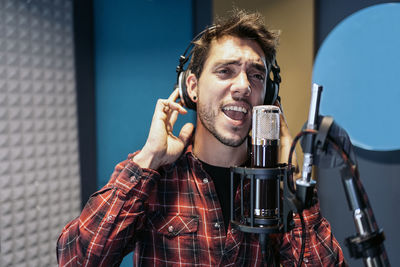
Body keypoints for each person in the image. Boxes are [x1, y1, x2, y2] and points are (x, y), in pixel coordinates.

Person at [57, 9, 346, 266]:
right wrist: (148, 159)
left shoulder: (274, 185)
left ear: (268, 97)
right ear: (192, 88)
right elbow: (76, 260)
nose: (243, 87)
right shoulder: (155, 177)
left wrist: (290, 183)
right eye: (226, 71)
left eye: (256, 76)